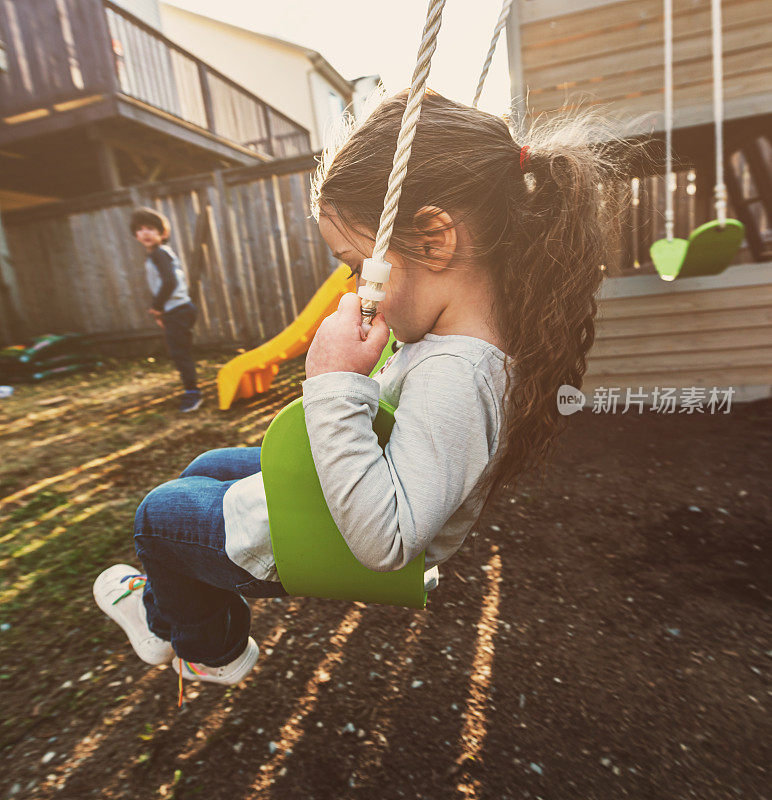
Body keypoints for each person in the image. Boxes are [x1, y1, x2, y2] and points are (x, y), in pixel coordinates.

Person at [95, 91, 622, 691]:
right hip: (341, 501)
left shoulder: (459, 375)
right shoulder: (461, 333)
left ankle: (205, 647)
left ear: (433, 238)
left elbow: (388, 540)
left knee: (158, 518)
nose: (352, 284)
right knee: (208, 466)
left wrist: (332, 383)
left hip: (332, 537)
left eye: (354, 264)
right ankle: (175, 609)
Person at [130, 207, 202, 413]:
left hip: (177, 310)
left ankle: (192, 394)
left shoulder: (159, 254)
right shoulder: (159, 254)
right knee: (181, 351)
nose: (145, 233)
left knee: (180, 353)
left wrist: (157, 307)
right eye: (140, 229)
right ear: (135, 234)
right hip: (179, 309)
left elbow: (169, 282)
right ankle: (191, 390)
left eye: (151, 228)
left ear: (162, 233)